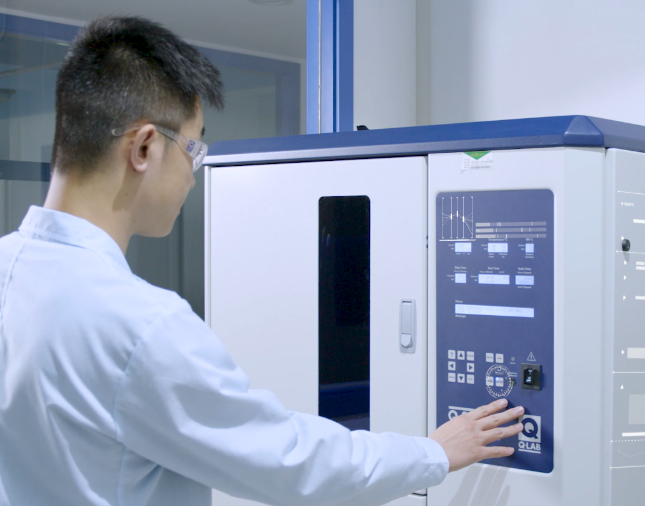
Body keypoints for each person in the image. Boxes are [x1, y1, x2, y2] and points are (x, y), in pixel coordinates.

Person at [0, 16, 524, 506]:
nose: (192, 176)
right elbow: (289, 461)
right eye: (193, 150)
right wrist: (433, 453)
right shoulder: (140, 327)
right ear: (143, 148)